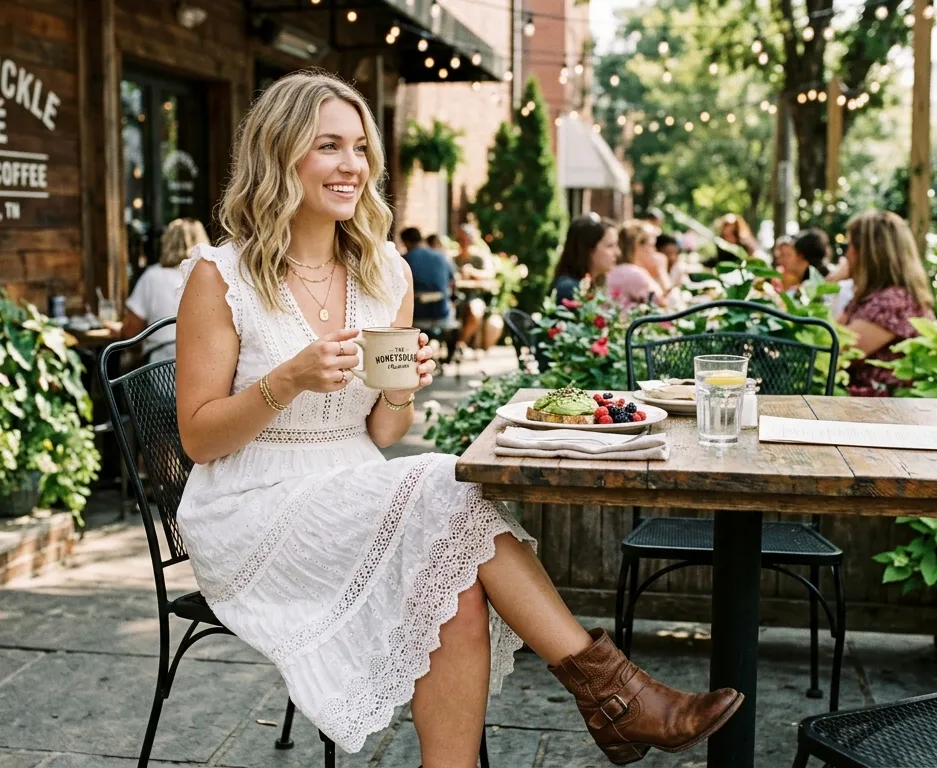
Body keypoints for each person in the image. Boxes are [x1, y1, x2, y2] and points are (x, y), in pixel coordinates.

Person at [172, 71, 740, 767]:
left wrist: (403, 387)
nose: (351, 166)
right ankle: (614, 695)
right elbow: (198, 440)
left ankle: (567, 717)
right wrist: (286, 381)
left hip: (347, 482)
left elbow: (382, 432)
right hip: (251, 505)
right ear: (279, 155)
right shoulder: (219, 275)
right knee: (451, 486)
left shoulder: (387, 272)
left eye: (359, 148)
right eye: (328, 146)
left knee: (460, 586)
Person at [838, 210, 936, 397]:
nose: (847, 253)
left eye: (851, 246)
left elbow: (833, 354)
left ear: (868, 254)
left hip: (882, 414)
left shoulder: (892, 303)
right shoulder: (879, 297)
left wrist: (828, 285)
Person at [123, 217, 209, 360]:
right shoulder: (211, 278)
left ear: (167, 241)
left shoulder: (152, 276)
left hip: (160, 367)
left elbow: (130, 331)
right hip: (202, 362)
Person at [550, 214, 620, 303]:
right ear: (588, 249)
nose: (618, 252)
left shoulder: (596, 286)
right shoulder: (569, 290)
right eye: (610, 246)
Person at [400, 226, 455, 325]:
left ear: (406, 242)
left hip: (417, 315)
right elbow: (452, 282)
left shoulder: (404, 260)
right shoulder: (441, 257)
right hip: (441, 312)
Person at [608, 220, 665, 306]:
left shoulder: (620, 269)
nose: (654, 250)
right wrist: (662, 271)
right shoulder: (633, 273)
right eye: (651, 245)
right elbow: (662, 304)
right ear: (638, 245)